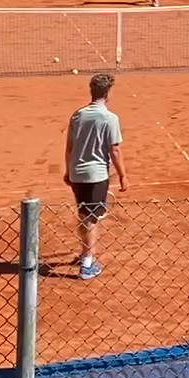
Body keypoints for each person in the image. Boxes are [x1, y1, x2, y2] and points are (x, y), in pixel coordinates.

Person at [64, 73, 127, 281]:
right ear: (108, 93)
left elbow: (69, 148)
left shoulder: (77, 115)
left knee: (84, 214)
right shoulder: (110, 118)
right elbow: (114, 150)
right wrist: (123, 176)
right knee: (91, 218)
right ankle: (87, 265)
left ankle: (84, 253)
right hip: (96, 176)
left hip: (77, 173)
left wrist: (69, 171)